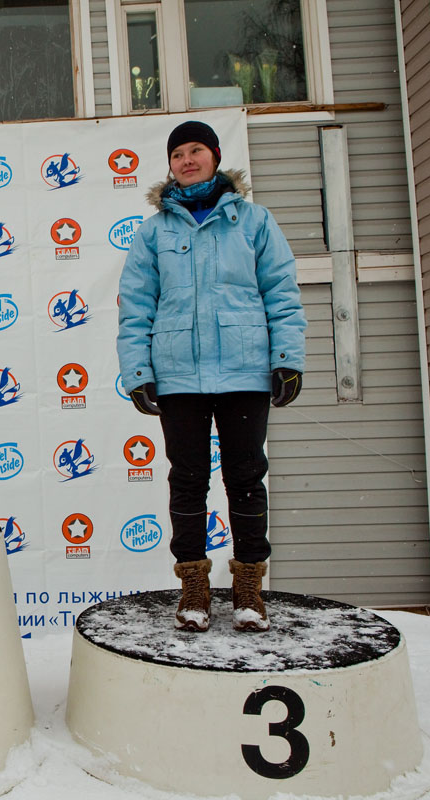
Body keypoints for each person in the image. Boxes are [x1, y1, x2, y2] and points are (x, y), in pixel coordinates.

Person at [117, 121, 306, 632]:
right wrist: (139, 371)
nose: (186, 160)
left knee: (245, 478)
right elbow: (136, 306)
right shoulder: (154, 232)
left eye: (196, 150)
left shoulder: (254, 222)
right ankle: (194, 588)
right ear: (170, 165)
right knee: (188, 481)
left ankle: (248, 588)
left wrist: (287, 358)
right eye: (178, 153)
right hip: (179, 376)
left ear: (215, 156)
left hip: (245, 371)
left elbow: (281, 292)